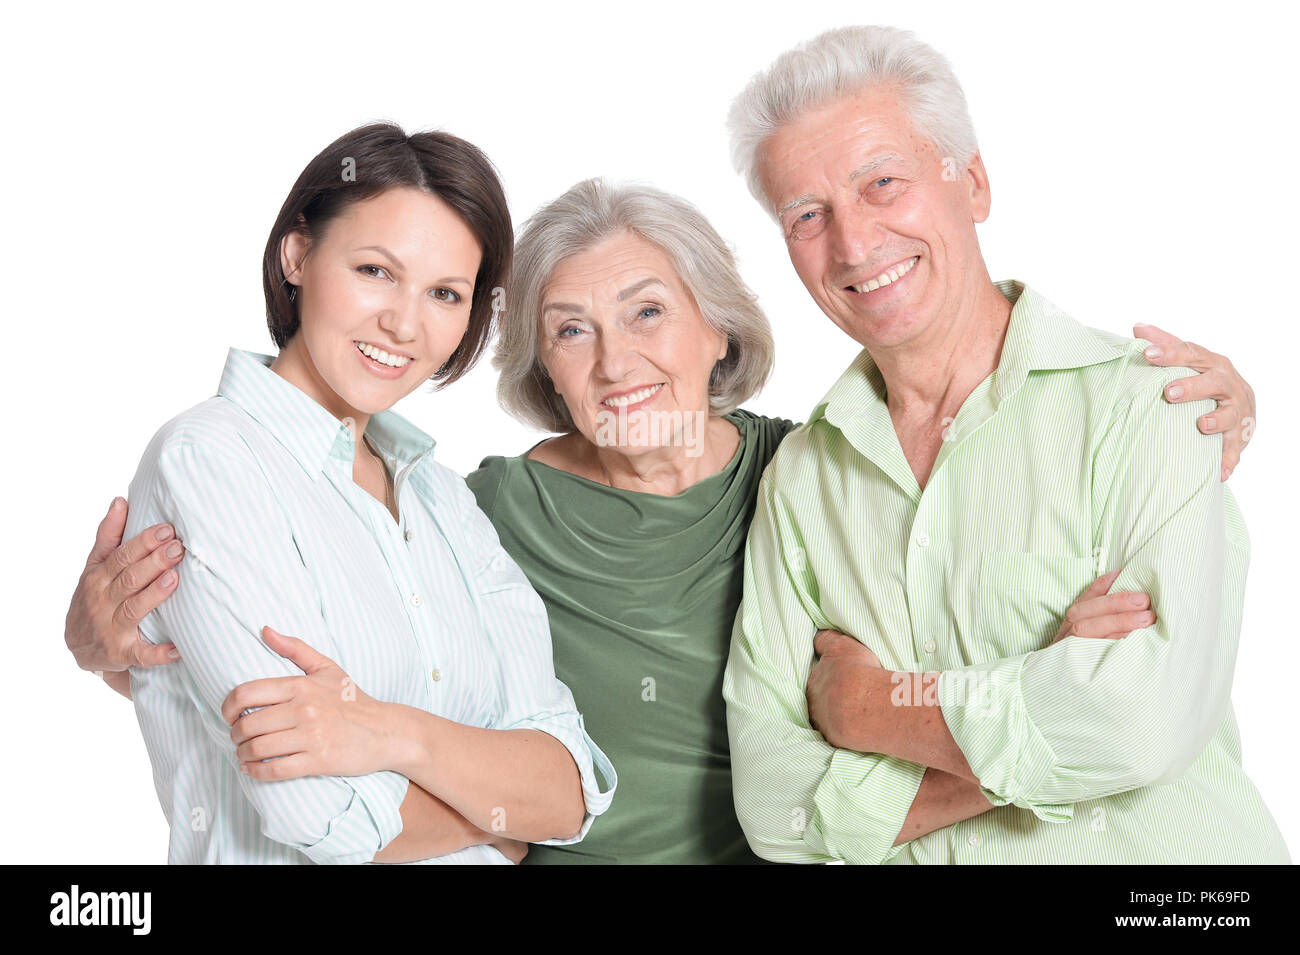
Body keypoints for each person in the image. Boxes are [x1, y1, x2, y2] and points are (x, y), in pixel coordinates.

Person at [67, 180, 1256, 864]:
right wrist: (109, 650)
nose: (616, 359)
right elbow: (334, 657)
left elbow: (990, 536)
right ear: (543, 365)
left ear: (718, 334)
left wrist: (1197, 404)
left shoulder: (819, 474)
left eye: (648, 313)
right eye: (572, 330)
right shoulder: (489, 508)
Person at [722, 24, 1287, 863]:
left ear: (973, 183)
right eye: (808, 214)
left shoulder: (1153, 404)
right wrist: (1040, 706)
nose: (853, 243)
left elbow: (1141, 720)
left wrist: (869, 708)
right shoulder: (803, 478)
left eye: (884, 182)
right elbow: (774, 805)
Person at [95, 122, 614, 864]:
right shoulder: (210, 463)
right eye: (375, 270)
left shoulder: (443, 499)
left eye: (444, 292)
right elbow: (321, 814)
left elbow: (567, 786)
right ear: (298, 253)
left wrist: (389, 732)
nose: (404, 322)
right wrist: (500, 815)